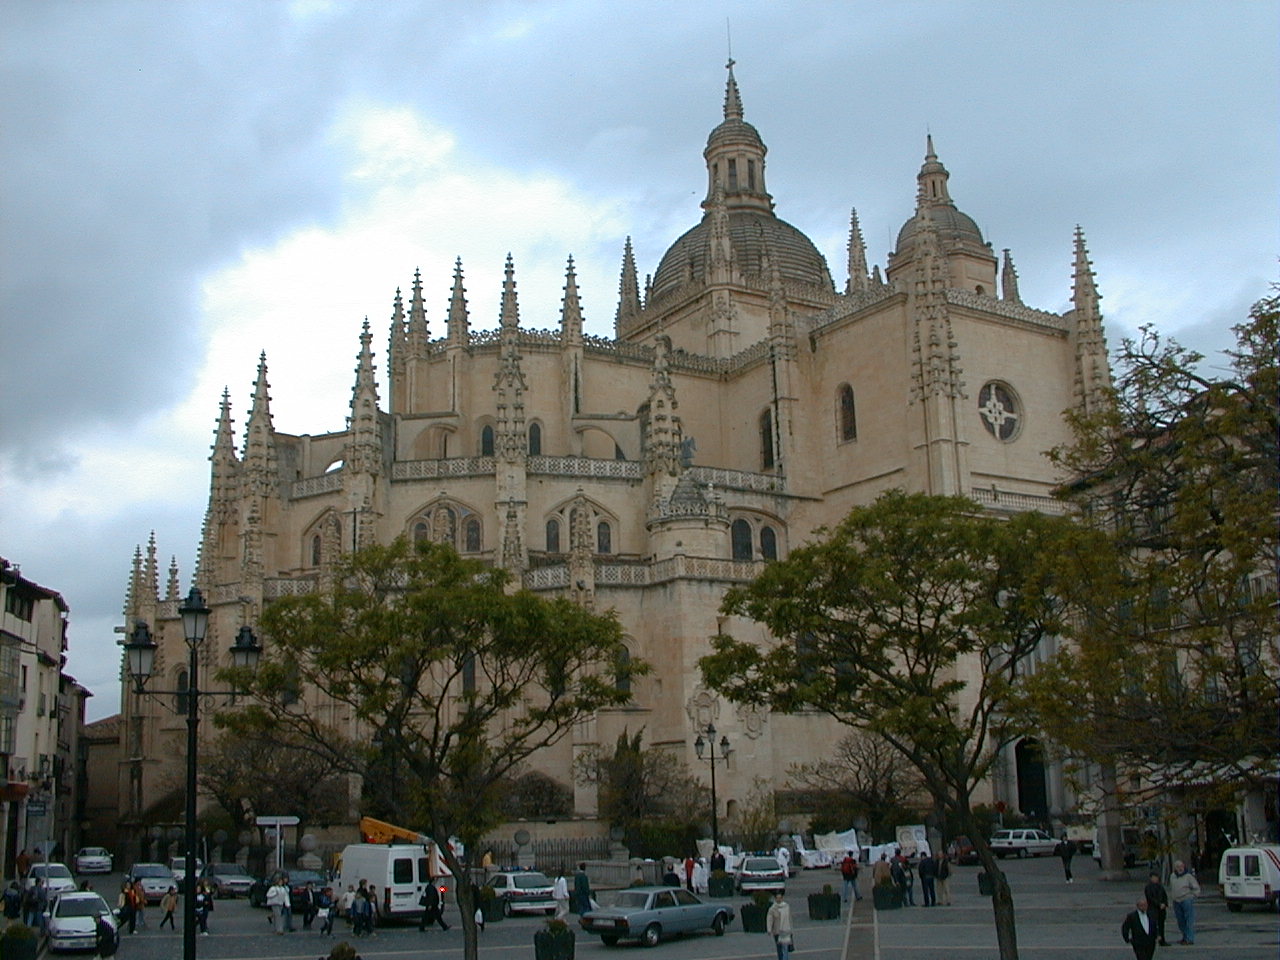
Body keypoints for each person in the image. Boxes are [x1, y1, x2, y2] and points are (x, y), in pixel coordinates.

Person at [1169, 859, 1200, 945]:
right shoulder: (1172, 876)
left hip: (1186, 900)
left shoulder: (1188, 876)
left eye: (1181, 866)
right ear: (1175, 868)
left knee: (1189, 920)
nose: (1180, 868)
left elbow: (1196, 888)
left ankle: (1189, 939)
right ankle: (1185, 937)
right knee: (1180, 921)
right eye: (1178, 867)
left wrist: (1192, 896)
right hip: (1176, 901)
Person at [1143, 871, 1170, 947]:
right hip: (1153, 909)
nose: (1156, 879)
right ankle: (1152, 940)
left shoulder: (1160, 886)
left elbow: (1164, 896)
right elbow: (1150, 898)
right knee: (1153, 925)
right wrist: (1159, 904)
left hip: (1161, 909)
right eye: (1154, 877)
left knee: (1161, 925)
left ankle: (1162, 940)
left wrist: (1165, 903)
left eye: (1157, 877)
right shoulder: (1148, 887)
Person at [765, 890, 793, 960]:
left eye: (780, 898)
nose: (779, 899)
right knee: (779, 947)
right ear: (775, 899)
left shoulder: (786, 906)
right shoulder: (772, 909)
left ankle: (785, 958)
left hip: (786, 930)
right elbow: (769, 919)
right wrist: (769, 929)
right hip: (777, 931)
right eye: (777, 898)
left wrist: (791, 929)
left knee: (785, 947)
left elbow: (789, 918)